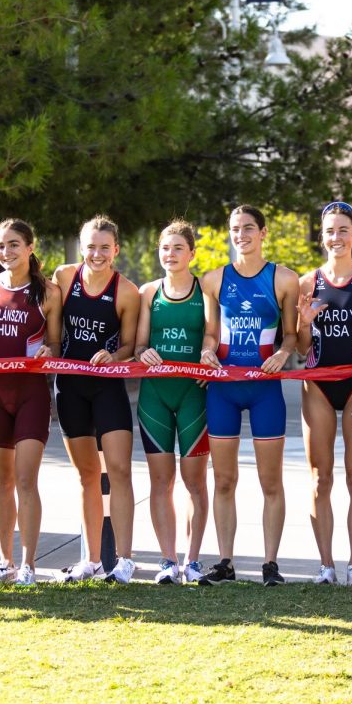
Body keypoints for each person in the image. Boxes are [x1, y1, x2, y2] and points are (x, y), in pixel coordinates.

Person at [197, 205, 299, 586]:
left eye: (249, 228)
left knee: (270, 482)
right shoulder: (214, 279)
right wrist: (207, 352)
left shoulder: (284, 279)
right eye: (236, 229)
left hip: (264, 390)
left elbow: (290, 335)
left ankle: (270, 564)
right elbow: (211, 332)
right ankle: (225, 561)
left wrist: (284, 354)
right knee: (224, 480)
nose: (242, 235)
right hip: (223, 389)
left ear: (263, 233)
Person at [296, 202, 352, 587]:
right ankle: (326, 565)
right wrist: (304, 322)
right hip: (316, 385)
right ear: (323, 237)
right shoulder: (307, 282)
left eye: (342, 230)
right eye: (329, 231)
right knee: (321, 478)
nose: (336, 237)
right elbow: (302, 348)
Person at [0, 219, 62, 585]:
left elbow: (55, 345)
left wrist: (47, 351)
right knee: (1, 481)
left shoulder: (48, 293)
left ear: (29, 247)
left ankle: (28, 564)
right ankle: (3, 561)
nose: (6, 252)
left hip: (31, 394)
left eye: (13, 244)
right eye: (0, 246)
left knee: (26, 479)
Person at [53, 216, 140, 584]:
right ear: (81, 246)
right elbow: (52, 330)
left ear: (116, 250)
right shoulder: (63, 277)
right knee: (87, 475)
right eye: (91, 246)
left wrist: (114, 358)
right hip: (69, 386)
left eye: (105, 247)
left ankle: (124, 560)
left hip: (108, 388)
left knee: (119, 471)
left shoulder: (127, 292)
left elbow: (130, 347)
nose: (97, 254)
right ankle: (89, 560)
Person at [134, 220, 210, 584]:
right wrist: (143, 352)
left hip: (194, 392)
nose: (171, 254)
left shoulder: (205, 290)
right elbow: (137, 346)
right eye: (165, 248)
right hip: (155, 395)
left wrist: (209, 355)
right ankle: (168, 561)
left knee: (194, 482)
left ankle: (192, 561)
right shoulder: (149, 292)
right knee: (161, 481)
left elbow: (210, 337)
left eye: (178, 248)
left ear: (191, 253)